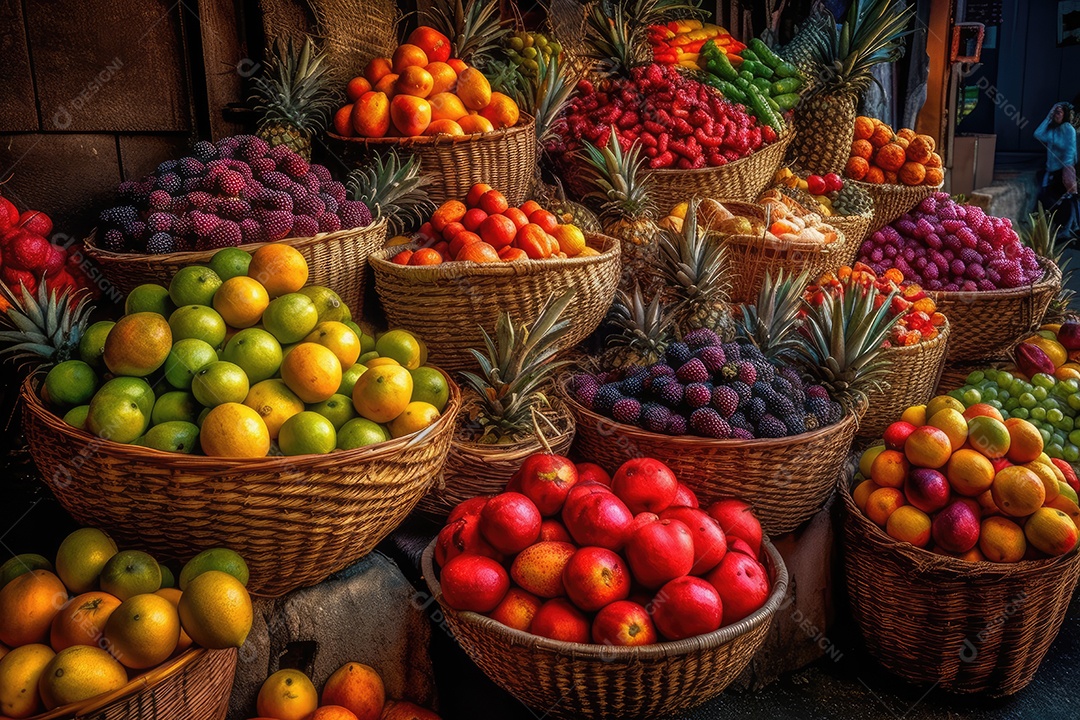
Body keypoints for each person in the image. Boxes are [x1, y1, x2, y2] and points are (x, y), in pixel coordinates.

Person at [1035, 102, 1077, 209]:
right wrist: (1048, 117)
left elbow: (1070, 151)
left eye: (1058, 113)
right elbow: (1038, 134)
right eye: (1054, 113)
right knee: (1046, 198)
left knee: (1063, 201)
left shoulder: (1068, 129)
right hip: (1051, 170)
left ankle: (1070, 224)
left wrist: (1067, 170)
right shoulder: (1053, 130)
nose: (1056, 115)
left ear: (1065, 114)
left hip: (1062, 171)